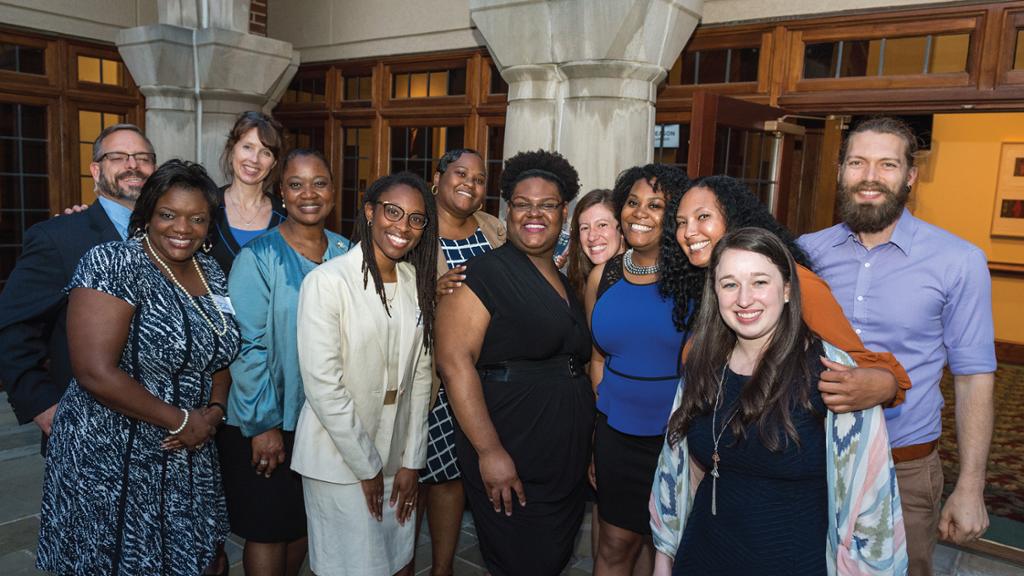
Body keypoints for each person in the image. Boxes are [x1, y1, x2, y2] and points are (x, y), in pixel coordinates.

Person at [798, 116, 996, 575]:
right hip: (814, 457)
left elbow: (973, 378)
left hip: (903, 467)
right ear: (840, 170)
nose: (870, 177)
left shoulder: (958, 262)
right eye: (857, 162)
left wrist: (971, 485)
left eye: (887, 164)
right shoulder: (806, 252)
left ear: (910, 176)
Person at [650, 227, 905, 575]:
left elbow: (871, 504)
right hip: (703, 556)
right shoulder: (702, 363)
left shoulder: (831, 372)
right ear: (715, 292)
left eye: (759, 282)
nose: (744, 299)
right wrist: (664, 557)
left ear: (786, 289)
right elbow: (678, 469)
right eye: (729, 284)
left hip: (791, 561)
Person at [36, 160, 241, 575]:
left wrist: (214, 413)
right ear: (147, 213)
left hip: (189, 447)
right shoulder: (114, 263)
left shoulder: (212, 271)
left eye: (197, 218)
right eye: (168, 214)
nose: (182, 228)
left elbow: (219, 350)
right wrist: (182, 420)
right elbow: (94, 371)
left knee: (198, 558)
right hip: (114, 454)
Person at [436, 149, 592, 575]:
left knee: (551, 558)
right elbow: (454, 364)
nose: (533, 214)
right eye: (522, 204)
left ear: (564, 212)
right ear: (508, 211)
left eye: (546, 205)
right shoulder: (480, 274)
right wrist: (490, 452)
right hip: (511, 443)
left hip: (563, 453)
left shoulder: (564, 280)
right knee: (521, 560)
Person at [661, 174, 911, 411]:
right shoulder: (705, 281)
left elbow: (861, 368)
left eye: (703, 216)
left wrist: (887, 385)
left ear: (734, 218)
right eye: (681, 222)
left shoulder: (794, 281)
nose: (688, 232)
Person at [291, 172, 438, 576]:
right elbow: (323, 386)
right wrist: (367, 465)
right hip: (339, 459)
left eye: (415, 219)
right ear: (370, 212)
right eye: (393, 212)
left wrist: (412, 460)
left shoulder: (412, 279)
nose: (403, 227)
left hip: (397, 457)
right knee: (349, 568)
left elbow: (421, 375)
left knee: (394, 563)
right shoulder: (327, 282)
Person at [219, 149, 351, 576]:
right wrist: (264, 426)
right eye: (296, 184)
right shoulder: (258, 257)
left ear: (334, 190)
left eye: (319, 183)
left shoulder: (348, 251)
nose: (308, 193)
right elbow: (246, 346)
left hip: (325, 420)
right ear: (282, 193)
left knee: (304, 523)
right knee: (267, 528)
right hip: (271, 419)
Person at [0, 123, 155, 444]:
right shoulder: (58, 237)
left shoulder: (174, 236)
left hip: (165, 427)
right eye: (118, 157)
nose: (132, 165)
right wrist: (43, 405)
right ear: (96, 171)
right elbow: (12, 328)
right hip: (88, 430)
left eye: (143, 157)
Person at [587, 164, 689, 576]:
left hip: (679, 437)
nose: (640, 213)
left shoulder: (696, 277)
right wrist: (603, 420)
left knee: (670, 548)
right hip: (617, 434)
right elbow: (596, 358)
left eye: (656, 204)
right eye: (632, 202)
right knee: (614, 546)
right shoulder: (603, 275)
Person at [417, 148, 506, 576]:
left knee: (456, 473)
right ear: (437, 178)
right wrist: (431, 292)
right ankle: (399, 562)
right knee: (421, 474)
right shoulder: (413, 225)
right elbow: (379, 290)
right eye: (460, 173)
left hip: (486, 372)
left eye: (479, 177)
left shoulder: (495, 230)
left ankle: (442, 567)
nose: (470, 183)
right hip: (428, 374)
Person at [211, 110, 288, 274]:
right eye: (247, 147)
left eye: (265, 152)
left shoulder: (285, 217)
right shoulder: (207, 206)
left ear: (274, 163)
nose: (254, 159)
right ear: (232, 149)